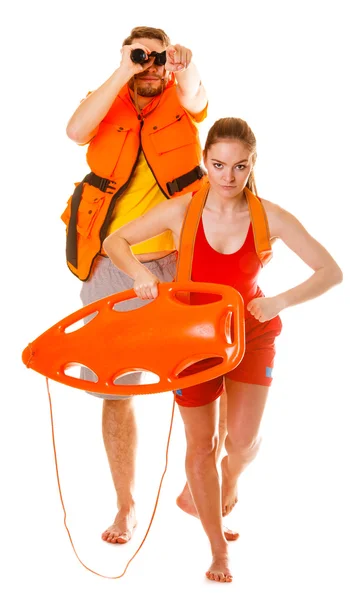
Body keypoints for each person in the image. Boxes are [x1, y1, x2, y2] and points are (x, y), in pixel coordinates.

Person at [103, 117, 343, 582]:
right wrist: (140, 274)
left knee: (241, 442)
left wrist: (279, 300)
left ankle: (228, 479)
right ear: (205, 162)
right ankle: (218, 550)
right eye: (218, 165)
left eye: (239, 166)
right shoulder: (182, 210)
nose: (228, 177)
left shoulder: (270, 215)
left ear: (253, 164)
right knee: (202, 444)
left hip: (251, 330)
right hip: (192, 338)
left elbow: (330, 272)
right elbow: (117, 240)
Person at [62, 26, 209, 545]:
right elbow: (77, 131)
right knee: (114, 389)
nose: (150, 67)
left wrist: (182, 65)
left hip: (179, 261)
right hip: (111, 265)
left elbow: (196, 94)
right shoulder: (106, 98)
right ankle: (125, 507)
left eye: (156, 58)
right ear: (125, 57)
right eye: (139, 57)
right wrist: (125, 69)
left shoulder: (180, 95)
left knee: (201, 386)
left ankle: (208, 494)